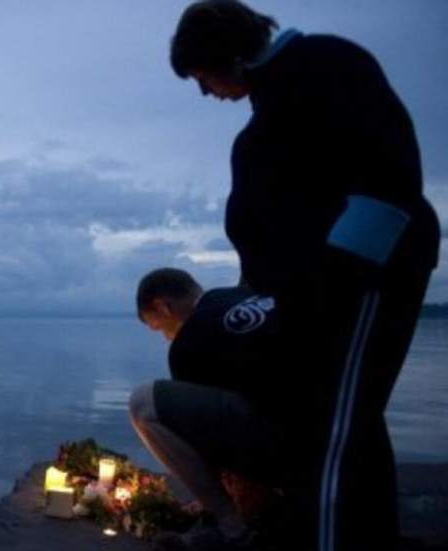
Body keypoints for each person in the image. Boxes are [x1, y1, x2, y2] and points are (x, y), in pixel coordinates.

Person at [168, 2, 441, 550]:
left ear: (226, 53)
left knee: (335, 432)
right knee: (347, 423)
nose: (205, 92)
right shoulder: (270, 111)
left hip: (357, 281)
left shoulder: (324, 66)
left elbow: (390, 177)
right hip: (310, 292)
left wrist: (334, 282)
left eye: (201, 76)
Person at [129, 268, 284, 550]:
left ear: (164, 306)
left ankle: (232, 526)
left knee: (144, 403)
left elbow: (203, 440)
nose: (166, 338)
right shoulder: (246, 294)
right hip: (332, 427)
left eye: (160, 328)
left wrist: (210, 495)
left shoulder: (189, 341)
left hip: (286, 443)